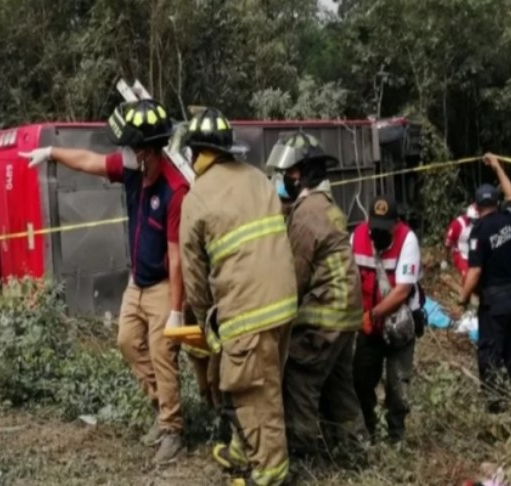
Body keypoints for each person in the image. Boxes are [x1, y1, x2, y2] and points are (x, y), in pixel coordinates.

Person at [22, 99, 188, 464]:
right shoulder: (132, 171)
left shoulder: (175, 191)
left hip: (162, 285)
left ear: (147, 150)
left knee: (163, 356)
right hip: (137, 282)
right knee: (127, 342)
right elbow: (89, 162)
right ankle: (162, 406)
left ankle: (172, 429)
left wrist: (177, 310)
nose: (124, 154)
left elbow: (177, 259)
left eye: (131, 148)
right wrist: (50, 152)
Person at [179, 107, 296, 486]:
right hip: (283, 304)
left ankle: (270, 475)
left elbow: (194, 278)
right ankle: (240, 450)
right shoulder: (259, 178)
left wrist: (206, 323)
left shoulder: (196, 199)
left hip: (248, 313)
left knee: (254, 397)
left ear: (196, 153)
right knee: (259, 382)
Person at [266, 132, 367, 459]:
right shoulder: (326, 206)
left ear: (305, 173)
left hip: (324, 315)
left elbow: (294, 275)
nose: (287, 179)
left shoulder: (307, 213)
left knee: (300, 378)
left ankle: (304, 452)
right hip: (346, 313)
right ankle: (354, 449)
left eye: (291, 173)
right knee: (339, 385)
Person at [351, 195, 423, 443]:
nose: (379, 233)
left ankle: (396, 437)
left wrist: (373, 314)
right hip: (368, 325)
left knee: (397, 387)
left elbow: (402, 291)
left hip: (398, 325)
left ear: (396, 222)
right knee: (360, 380)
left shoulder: (407, 240)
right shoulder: (357, 237)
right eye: (375, 227)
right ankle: (368, 431)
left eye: (385, 228)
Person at [458, 153, 511, 413]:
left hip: (493, 300)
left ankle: (495, 404)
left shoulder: (479, 231)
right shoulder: (507, 218)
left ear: (475, 205)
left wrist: (462, 298)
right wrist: (497, 167)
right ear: (495, 202)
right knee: (510, 348)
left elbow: (474, 271)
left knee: (490, 352)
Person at [445, 203, 479, 279]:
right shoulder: (458, 225)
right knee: (469, 277)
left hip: (477, 254)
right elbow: (448, 243)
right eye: (474, 220)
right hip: (461, 253)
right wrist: (447, 258)